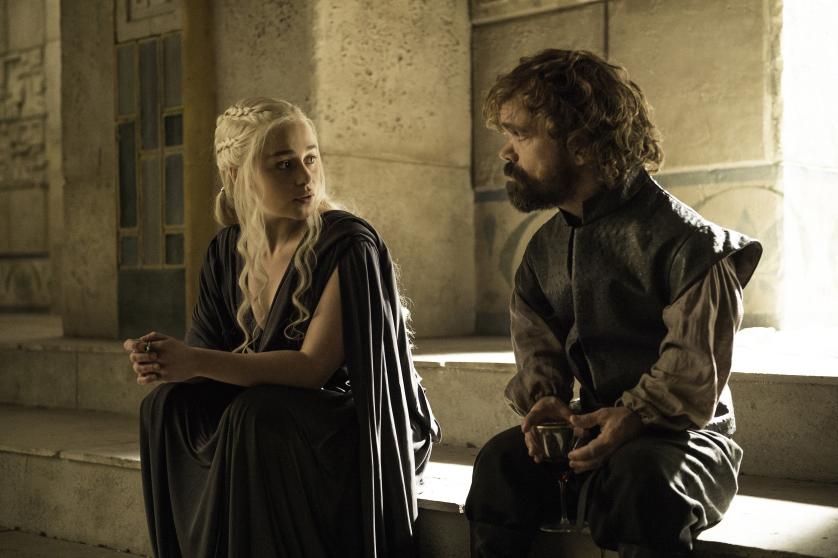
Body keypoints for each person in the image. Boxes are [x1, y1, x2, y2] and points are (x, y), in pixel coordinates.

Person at [465, 50, 762, 558]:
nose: (506, 152)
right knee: (500, 464)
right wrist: (547, 403)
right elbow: (538, 353)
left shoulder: (692, 246)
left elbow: (691, 380)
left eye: (521, 135)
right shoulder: (542, 250)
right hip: (591, 429)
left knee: (639, 481)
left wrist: (632, 417)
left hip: (684, 441)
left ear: (581, 145)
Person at [123, 97, 440, 558]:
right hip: (270, 414)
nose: (305, 178)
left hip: (352, 417)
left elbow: (313, 368)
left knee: (255, 414)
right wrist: (164, 361)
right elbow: (206, 353)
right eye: (284, 165)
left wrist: (195, 361)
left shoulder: (347, 244)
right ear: (236, 176)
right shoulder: (226, 250)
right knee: (166, 407)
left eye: (310, 158)